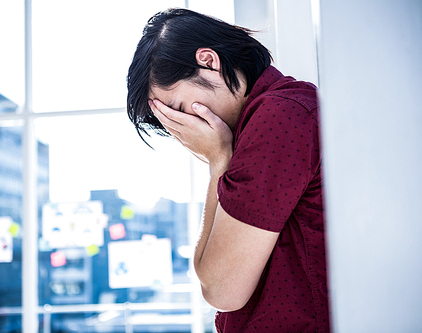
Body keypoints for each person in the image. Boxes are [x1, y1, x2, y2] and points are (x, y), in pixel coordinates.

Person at [127, 8, 329, 333]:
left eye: (179, 110)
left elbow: (222, 290)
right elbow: (208, 277)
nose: (186, 127)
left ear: (209, 61)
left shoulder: (277, 119)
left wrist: (218, 160)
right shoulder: (266, 120)